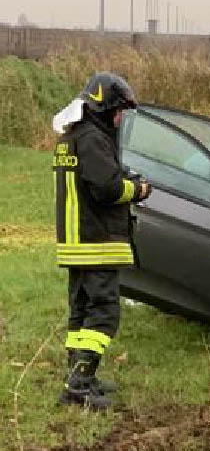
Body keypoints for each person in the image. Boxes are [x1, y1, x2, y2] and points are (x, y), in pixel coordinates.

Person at [52, 73, 152, 409]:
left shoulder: (72, 137)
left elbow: (94, 179)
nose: (120, 118)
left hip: (77, 242)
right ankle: (79, 385)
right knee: (104, 314)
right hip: (98, 241)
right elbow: (107, 189)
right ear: (103, 106)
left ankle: (78, 378)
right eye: (118, 110)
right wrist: (138, 189)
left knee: (81, 311)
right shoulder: (93, 139)